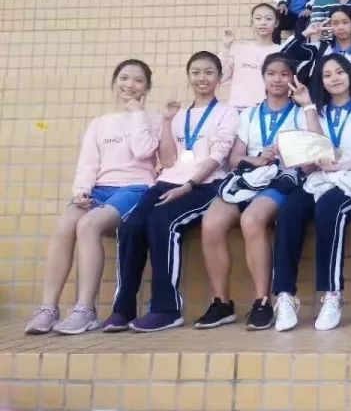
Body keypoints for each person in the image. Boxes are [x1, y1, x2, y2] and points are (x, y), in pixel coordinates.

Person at [25, 60, 163, 335]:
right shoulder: (100, 123)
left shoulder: (154, 120)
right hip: (99, 188)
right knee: (65, 225)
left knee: (88, 225)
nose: (130, 85)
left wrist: (137, 114)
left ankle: (85, 310)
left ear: (146, 88)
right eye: (124, 78)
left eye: (138, 81)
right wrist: (81, 191)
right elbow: (88, 163)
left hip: (135, 188)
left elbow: (143, 151)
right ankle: (48, 308)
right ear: (115, 82)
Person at [106, 52, 239, 333]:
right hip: (167, 182)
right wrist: (167, 122)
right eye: (196, 72)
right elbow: (167, 161)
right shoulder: (178, 114)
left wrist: (188, 185)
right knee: (131, 226)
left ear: (219, 77)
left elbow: (218, 156)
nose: (202, 78)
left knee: (162, 223)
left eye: (209, 72)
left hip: (204, 184)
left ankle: (166, 309)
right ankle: (123, 309)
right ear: (188, 76)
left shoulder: (227, 112)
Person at [194, 54, 306, 331]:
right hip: (247, 179)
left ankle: (262, 302)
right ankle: (221, 303)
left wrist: (284, 154)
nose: (277, 79)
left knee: (252, 220)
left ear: (292, 78)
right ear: (263, 78)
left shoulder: (300, 113)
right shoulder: (249, 114)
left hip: (280, 179)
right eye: (271, 73)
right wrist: (256, 159)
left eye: (284, 74)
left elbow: (309, 156)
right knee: (211, 222)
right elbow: (235, 158)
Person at [271, 55, 351, 332]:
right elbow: (317, 149)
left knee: (329, 210)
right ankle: (284, 296)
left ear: (350, 74)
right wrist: (307, 106)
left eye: (339, 72)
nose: (334, 78)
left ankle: (332, 294)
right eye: (327, 75)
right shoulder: (316, 112)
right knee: (289, 211)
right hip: (318, 178)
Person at [220, 3, 281, 111]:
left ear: (276, 23)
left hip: (268, 110)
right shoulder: (239, 49)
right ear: (251, 22)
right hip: (238, 109)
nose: (263, 22)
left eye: (268, 19)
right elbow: (222, 77)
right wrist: (226, 47)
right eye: (258, 18)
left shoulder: (280, 51)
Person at [298, 4, 351, 70]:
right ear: (330, 25)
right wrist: (306, 33)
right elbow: (292, 52)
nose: (340, 27)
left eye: (345, 22)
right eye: (335, 23)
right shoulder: (320, 48)